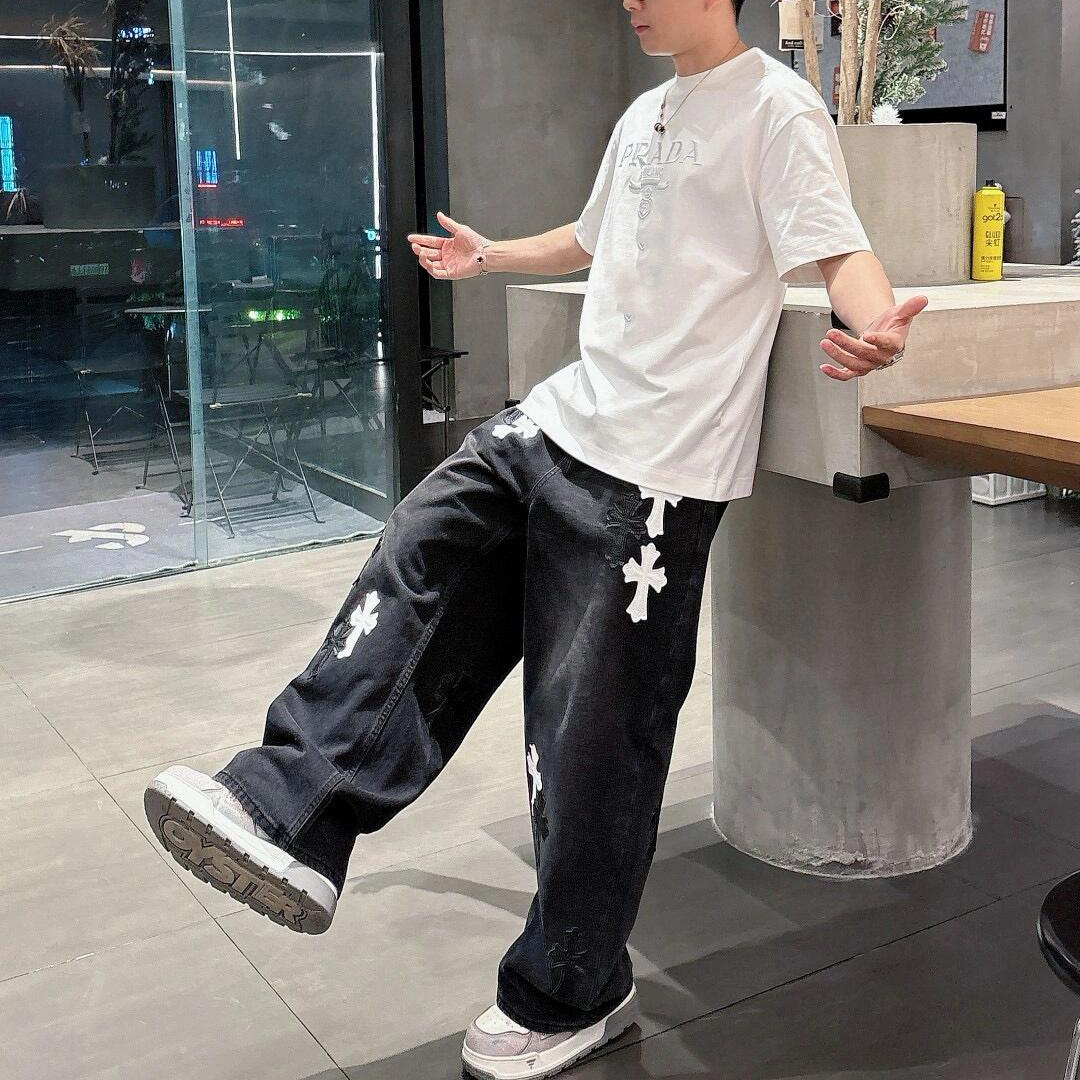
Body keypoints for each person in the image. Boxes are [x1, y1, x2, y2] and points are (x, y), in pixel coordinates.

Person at [144, 1, 928, 1077]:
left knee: (588, 734)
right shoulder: (648, 111)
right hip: (563, 420)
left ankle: (574, 990)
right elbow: (592, 237)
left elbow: (839, 250)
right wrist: (488, 255)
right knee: (417, 553)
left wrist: (873, 326)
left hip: (655, 473)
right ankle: (292, 811)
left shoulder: (779, 111)